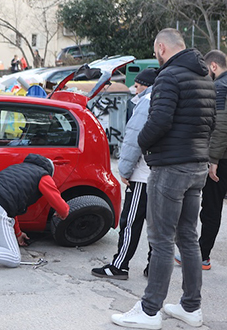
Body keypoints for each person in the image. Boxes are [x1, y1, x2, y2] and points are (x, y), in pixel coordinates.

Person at [111, 28, 216, 329]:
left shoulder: (168, 76)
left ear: (160, 47)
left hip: (171, 168)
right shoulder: (204, 76)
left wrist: (144, 144)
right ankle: (191, 308)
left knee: (161, 240)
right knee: (187, 238)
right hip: (197, 165)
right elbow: (211, 122)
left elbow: (159, 120)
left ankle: (149, 310)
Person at [91, 68, 157, 281]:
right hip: (160, 174)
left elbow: (134, 139)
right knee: (158, 224)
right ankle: (154, 267)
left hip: (142, 175)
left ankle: (119, 266)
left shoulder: (146, 101)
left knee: (130, 222)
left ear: (144, 85)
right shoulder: (166, 98)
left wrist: (125, 170)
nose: (134, 90)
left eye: (136, 85)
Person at [0, 153, 69, 274]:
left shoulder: (17, 168)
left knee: (3, 222)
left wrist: (18, 233)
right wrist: (63, 214)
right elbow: (60, 205)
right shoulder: (43, 176)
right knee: (14, 258)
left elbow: (10, 206)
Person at [173, 50, 227, 272]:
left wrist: (213, 158)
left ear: (213, 66)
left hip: (222, 159)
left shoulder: (221, 87)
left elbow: (221, 124)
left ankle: (201, 256)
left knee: (211, 208)